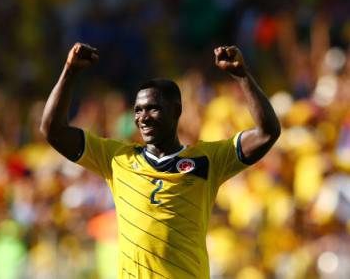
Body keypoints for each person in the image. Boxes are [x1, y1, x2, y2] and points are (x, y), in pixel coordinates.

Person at [40, 43, 281, 278]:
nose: (143, 117)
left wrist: (242, 76)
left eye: (153, 108)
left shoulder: (208, 160)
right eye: (138, 110)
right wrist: (70, 71)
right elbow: (53, 130)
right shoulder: (117, 158)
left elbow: (267, 132)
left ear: (176, 111)